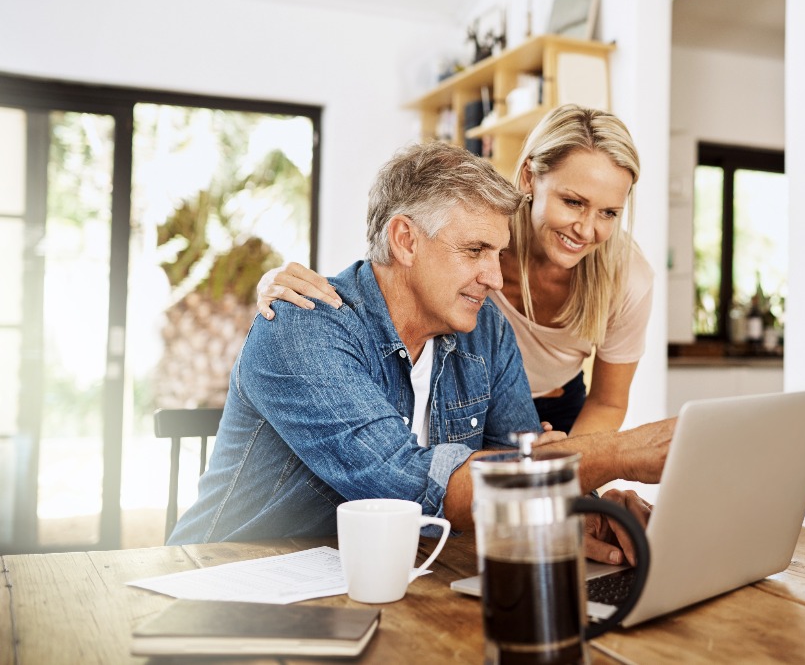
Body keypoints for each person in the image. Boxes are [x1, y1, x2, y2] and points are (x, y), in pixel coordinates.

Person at [169, 143, 672, 566]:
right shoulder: (303, 326)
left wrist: (587, 509)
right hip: (227, 580)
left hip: (383, 579)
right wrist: (620, 454)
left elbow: (522, 459)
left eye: (498, 254)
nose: (496, 278)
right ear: (405, 239)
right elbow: (411, 487)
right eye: (475, 251)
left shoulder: (487, 331)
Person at [257, 104, 652, 436]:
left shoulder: (627, 278)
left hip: (557, 409)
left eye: (609, 213)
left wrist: (575, 469)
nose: (586, 229)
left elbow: (608, 400)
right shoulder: (482, 221)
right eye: (573, 202)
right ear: (530, 176)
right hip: (459, 388)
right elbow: (391, 268)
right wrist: (284, 291)